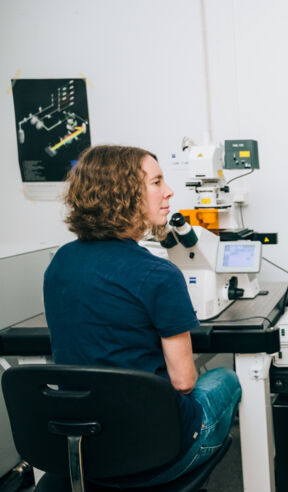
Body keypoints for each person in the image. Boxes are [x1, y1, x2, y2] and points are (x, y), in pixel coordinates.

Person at [43, 145, 241, 487]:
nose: (169, 191)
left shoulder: (61, 262)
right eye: (157, 182)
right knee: (227, 379)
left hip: (83, 450)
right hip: (156, 455)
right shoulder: (158, 274)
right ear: (123, 194)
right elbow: (184, 381)